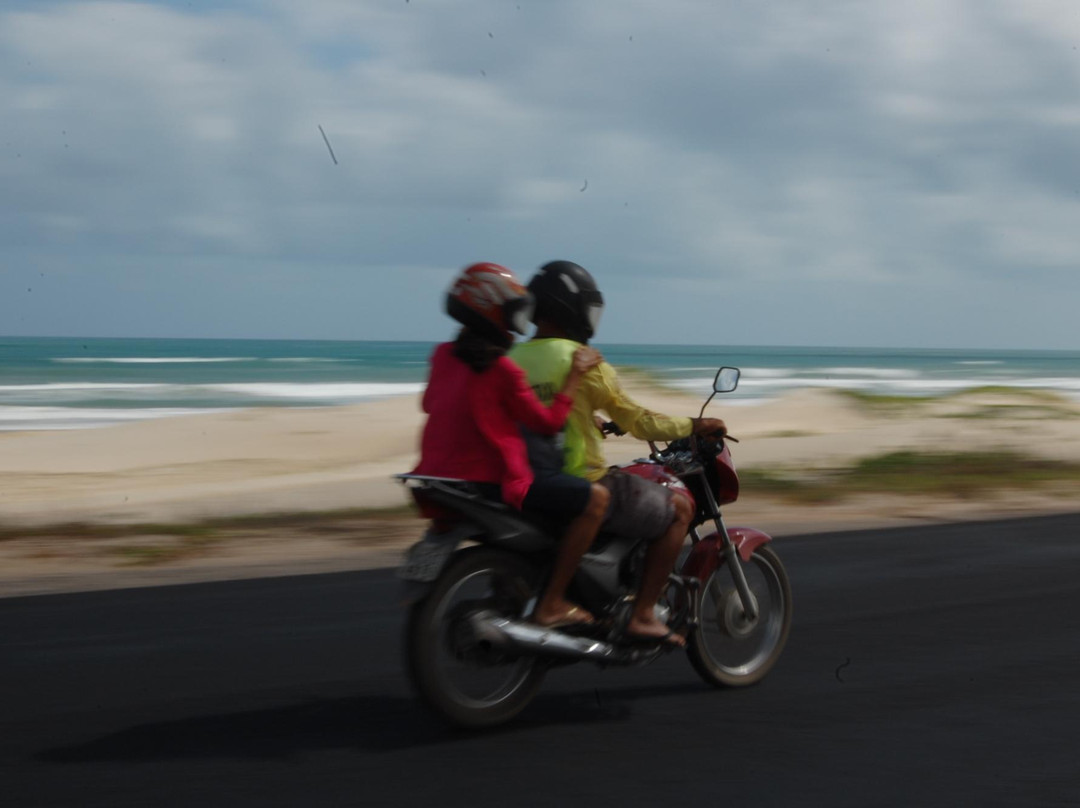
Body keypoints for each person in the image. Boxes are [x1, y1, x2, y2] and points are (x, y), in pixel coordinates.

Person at [509, 260, 727, 646]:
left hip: (525, 481)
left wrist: (584, 417)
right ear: (573, 309)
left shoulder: (511, 361)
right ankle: (642, 615)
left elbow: (531, 412)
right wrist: (695, 424)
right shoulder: (586, 361)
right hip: (582, 480)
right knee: (680, 509)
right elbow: (640, 421)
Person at [412, 262, 611, 629]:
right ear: (491, 310)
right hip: (495, 481)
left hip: (437, 476)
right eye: (511, 312)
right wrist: (575, 375)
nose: (516, 322)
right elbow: (549, 423)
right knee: (595, 500)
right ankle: (552, 603)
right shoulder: (503, 370)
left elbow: (432, 405)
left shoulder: (442, 355)